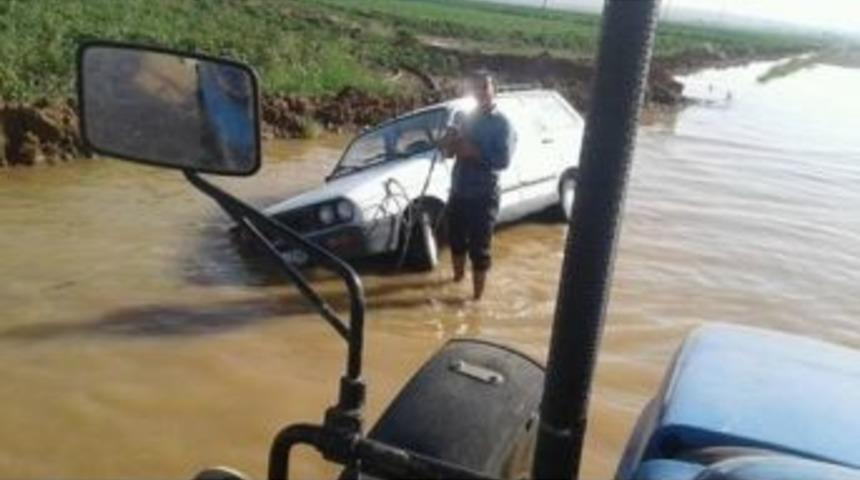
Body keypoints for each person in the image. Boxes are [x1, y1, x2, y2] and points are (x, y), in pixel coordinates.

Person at [440, 72, 516, 300]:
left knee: (479, 250)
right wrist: (447, 141)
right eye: (476, 88)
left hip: (484, 194)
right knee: (455, 241)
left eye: (485, 87)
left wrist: (475, 152)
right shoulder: (465, 118)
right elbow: (448, 152)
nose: (481, 92)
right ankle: (456, 283)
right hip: (459, 190)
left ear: (494, 90)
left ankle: (476, 302)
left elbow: (503, 162)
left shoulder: (503, 124)